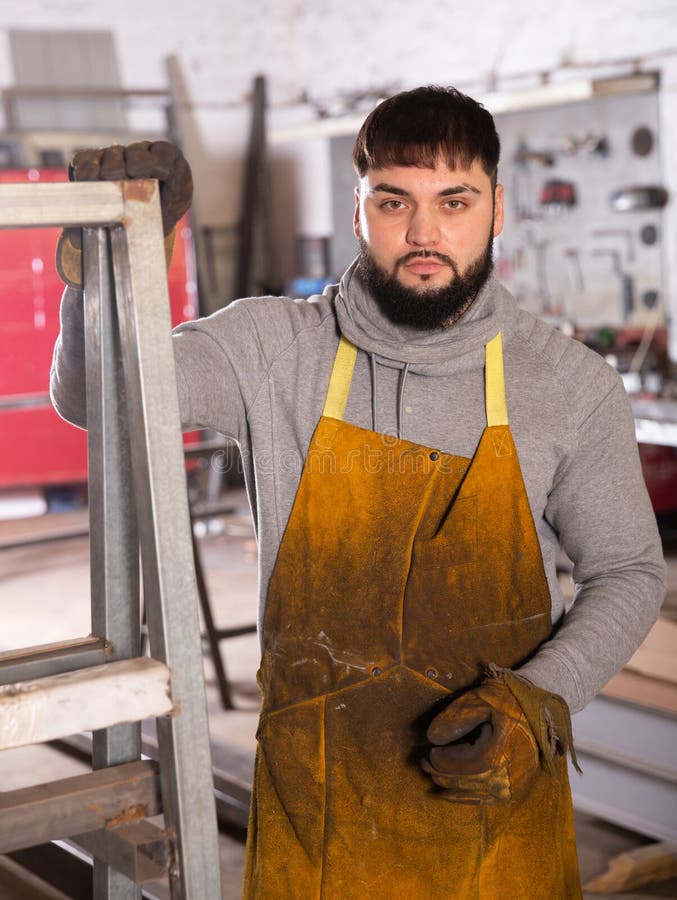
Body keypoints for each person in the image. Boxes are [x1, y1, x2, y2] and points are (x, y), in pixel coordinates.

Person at [51, 86, 666, 899]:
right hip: (318, 811)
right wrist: (107, 264)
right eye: (393, 201)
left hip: (492, 805)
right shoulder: (272, 349)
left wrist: (540, 701)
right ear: (357, 210)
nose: (423, 232)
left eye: (454, 201)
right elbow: (96, 397)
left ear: (496, 207)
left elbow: (628, 571)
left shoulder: (566, 384)